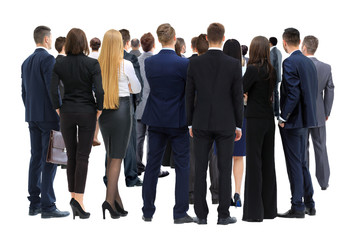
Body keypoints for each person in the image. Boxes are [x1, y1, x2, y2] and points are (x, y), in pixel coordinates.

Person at [186, 23, 243, 225]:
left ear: (208, 39)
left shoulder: (195, 63)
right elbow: (237, 98)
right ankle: (223, 214)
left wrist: (189, 123)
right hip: (226, 123)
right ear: (223, 38)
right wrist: (238, 125)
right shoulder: (233, 64)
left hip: (200, 122)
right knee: (224, 168)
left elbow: (189, 95)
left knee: (200, 168)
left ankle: (201, 215)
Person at [141, 23, 194, 224]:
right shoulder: (183, 64)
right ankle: (180, 212)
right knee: (182, 165)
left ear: (160, 39)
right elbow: (187, 92)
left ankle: (147, 210)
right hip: (178, 119)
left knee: (152, 165)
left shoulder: (150, 63)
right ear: (174, 39)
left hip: (155, 118)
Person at [50, 28, 104, 219]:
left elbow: (52, 88)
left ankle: (73, 196)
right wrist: (99, 108)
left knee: (71, 155)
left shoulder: (60, 63)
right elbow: (99, 89)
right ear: (84, 43)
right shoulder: (92, 63)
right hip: (87, 111)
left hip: (66, 112)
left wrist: (58, 107)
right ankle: (79, 200)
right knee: (83, 156)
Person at [22, 25, 69, 219]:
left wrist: (31, 110)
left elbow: (24, 92)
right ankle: (48, 205)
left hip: (32, 116)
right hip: (49, 116)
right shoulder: (48, 59)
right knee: (50, 159)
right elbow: (53, 89)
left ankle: (34, 204)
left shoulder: (26, 62)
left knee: (36, 157)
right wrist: (60, 112)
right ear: (47, 40)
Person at [98, 29, 141, 219]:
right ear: (119, 45)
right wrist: (128, 85)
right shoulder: (126, 64)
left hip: (104, 112)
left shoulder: (97, 65)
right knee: (117, 157)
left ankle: (116, 201)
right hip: (122, 110)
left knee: (111, 156)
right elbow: (137, 88)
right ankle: (108, 201)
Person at [277, 28, 318, 218]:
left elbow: (293, 94)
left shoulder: (290, 62)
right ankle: (309, 203)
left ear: (284, 42)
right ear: (299, 41)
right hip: (306, 120)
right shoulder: (308, 63)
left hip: (292, 122)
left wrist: (283, 117)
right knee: (302, 163)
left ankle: (297, 206)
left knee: (294, 164)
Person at [241, 36, 277, 222]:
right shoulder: (272, 70)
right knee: (268, 162)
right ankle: (270, 210)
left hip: (254, 119)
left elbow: (240, 88)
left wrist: (247, 97)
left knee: (254, 164)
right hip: (268, 120)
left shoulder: (252, 69)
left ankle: (254, 213)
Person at [188, 33, 219, 205]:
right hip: (216, 118)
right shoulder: (220, 64)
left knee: (194, 159)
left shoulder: (191, 64)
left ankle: (192, 195)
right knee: (214, 158)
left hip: (197, 118)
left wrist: (189, 122)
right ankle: (216, 195)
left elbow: (188, 95)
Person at [302, 35, 334, 190]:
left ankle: (304, 182)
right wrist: (326, 111)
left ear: (304, 47)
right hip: (319, 113)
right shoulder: (326, 67)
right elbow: (330, 91)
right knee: (321, 147)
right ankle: (324, 182)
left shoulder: (299, 65)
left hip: (301, 113)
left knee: (303, 148)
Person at [135, 33, 169, 178]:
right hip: (154, 106)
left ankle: (137, 167)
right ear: (154, 45)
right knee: (153, 139)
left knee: (138, 138)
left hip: (139, 105)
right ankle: (153, 168)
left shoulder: (135, 61)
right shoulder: (157, 62)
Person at [222, 39, 246, 208]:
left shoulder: (219, 67)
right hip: (241, 115)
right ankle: (237, 193)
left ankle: (225, 193)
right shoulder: (245, 68)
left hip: (222, 115)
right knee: (238, 157)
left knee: (223, 158)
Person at [88, 37, 102, 146]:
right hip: (99, 86)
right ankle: (95, 136)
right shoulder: (102, 58)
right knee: (98, 112)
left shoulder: (87, 58)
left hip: (88, 87)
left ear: (90, 45)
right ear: (100, 46)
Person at [269, 37, 282, 119]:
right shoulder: (279, 52)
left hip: (272, 77)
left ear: (270, 43)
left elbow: (271, 66)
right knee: (276, 93)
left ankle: (273, 111)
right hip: (278, 76)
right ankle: (277, 112)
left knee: (272, 94)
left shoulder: (271, 53)